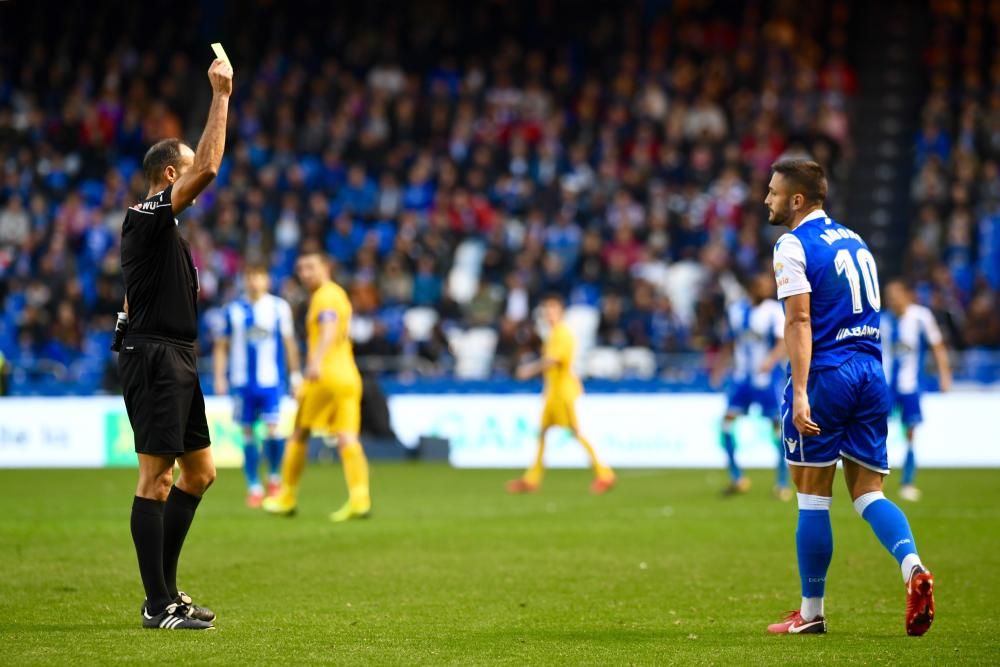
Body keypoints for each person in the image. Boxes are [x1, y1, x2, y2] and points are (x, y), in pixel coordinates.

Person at [764, 158, 934, 636]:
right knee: (868, 493)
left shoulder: (792, 245)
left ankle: (811, 612)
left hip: (827, 375)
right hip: (870, 372)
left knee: (813, 499)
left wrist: (800, 392)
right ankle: (913, 568)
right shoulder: (856, 240)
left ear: (797, 199)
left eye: (774, 192)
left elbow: (798, 321)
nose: (767, 199)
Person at [118, 57, 232, 630]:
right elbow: (208, 167)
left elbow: (135, 294)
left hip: (177, 356)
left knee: (199, 474)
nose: (192, 181)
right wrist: (222, 95)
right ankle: (158, 602)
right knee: (156, 478)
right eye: (182, 174)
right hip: (157, 355)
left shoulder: (163, 234)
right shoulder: (145, 215)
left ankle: (162, 593)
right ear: (169, 177)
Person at [262, 252, 372, 522]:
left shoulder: (325, 295)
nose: (305, 273)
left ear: (326, 267)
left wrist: (316, 363)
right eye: (301, 268)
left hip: (326, 376)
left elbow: (328, 327)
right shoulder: (339, 294)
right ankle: (360, 499)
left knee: (299, 433)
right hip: (349, 376)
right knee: (347, 437)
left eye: (311, 267)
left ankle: (286, 496)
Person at [507, 294, 616, 494]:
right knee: (541, 434)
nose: (549, 315)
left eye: (553, 310)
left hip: (564, 394)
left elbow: (554, 360)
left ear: (561, 312)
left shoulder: (563, 334)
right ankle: (531, 479)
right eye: (546, 311)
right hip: (552, 393)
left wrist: (528, 370)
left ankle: (605, 474)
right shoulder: (553, 334)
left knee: (576, 433)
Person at [213, 263, 302, 507]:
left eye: (259, 277)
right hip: (242, 383)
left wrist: (295, 376)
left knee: (274, 429)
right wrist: (220, 376)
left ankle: (274, 478)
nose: (254, 282)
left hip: (271, 381)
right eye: (250, 277)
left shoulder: (278, 307)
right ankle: (253, 485)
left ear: (267, 280)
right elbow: (221, 346)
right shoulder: (232, 310)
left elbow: (289, 343)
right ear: (244, 280)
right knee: (248, 433)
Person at [713, 272, 790, 499]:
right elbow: (729, 342)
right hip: (741, 379)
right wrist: (719, 367)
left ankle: (782, 482)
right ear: (751, 286)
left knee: (778, 429)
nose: (766, 288)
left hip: (766, 381)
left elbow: (782, 342)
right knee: (726, 425)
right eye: (761, 284)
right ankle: (737, 478)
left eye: (768, 285)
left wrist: (770, 360)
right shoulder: (736, 310)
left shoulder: (774, 311)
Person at [882, 280, 952, 502]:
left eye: (895, 296)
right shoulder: (883, 320)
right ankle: (874, 482)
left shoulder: (920, 316)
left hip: (910, 385)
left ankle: (907, 482)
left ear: (906, 295)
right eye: (888, 297)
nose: (892, 301)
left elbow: (937, 345)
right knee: (876, 430)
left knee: (911, 432)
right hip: (884, 386)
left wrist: (944, 374)